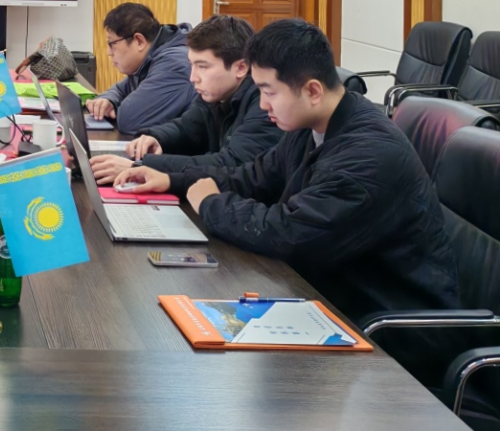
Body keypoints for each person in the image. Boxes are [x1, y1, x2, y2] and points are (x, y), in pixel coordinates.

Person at [113, 18, 460, 321]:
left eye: (269, 92)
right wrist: (172, 180)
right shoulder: (314, 125)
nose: (263, 105)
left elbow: (290, 234)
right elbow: (254, 176)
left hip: (387, 330)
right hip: (331, 295)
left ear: (312, 90)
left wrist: (211, 203)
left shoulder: (367, 156)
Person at [89, 15, 281, 184]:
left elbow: (230, 164)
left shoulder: (265, 105)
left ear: (240, 68)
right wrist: (157, 138)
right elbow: (186, 128)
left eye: (202, 67)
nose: (193, 77)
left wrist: (142, 166)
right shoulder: (214, 94)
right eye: (192, 65)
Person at [87, 3, 195, 134]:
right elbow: (120, 89)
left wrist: (117, 108)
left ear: (139, 41)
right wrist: (108, 101)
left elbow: (129, 120)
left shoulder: (174, 63)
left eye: (112, 44)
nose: (108, 52)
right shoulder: (150, 57)